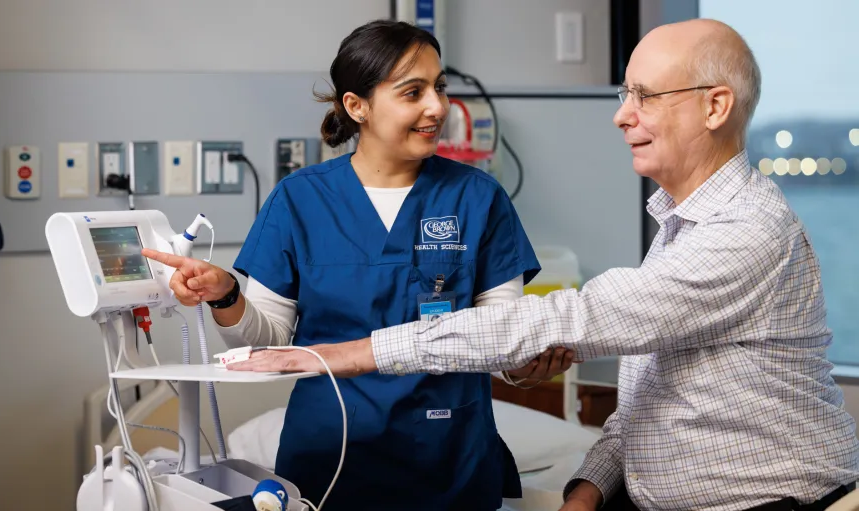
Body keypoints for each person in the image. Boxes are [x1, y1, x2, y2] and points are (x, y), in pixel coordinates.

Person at [234, 18, 859, 511]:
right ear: (358, 105)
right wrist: (589, 487)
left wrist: (347, 352)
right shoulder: (681, 228)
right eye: (624, 94)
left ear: (716, 107)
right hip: (337, 457)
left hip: (765, 497)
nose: (621, 113)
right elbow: (657, 398)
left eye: (643, 95)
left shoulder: (744, 231)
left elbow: (576, 318)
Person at [142, 19, 574, 511]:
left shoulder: (479, 199)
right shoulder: (299, 200)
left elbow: (500, 334)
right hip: (330, 463)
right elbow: (270, 345)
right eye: (413, 92)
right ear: (357, 106)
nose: (437, 107)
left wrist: (524, 365)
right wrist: (225, 294)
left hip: (448, 460)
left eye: (439, 88)